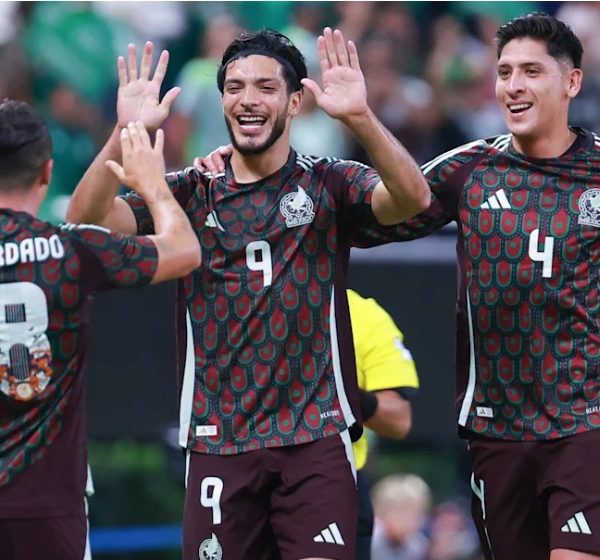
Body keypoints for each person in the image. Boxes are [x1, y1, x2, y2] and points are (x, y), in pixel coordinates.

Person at [66, 28, 430, 560]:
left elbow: (414, 198)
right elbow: (86, 220)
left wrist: (358, 118)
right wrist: (125, 131)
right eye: (234, 88)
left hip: (314, 441)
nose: (248, 100)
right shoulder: (190, 192)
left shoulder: (328, 184)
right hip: (220, 443)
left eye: (265, 87)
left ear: (296, 101)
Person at [379, 12, 599, 560]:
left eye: (531, 71)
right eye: (504, 72)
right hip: (496, 428)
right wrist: (360, 118)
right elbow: (369, 214)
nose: (513, 85)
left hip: (587, 420)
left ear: (571, 81)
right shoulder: (468, 170)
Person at [0, 100, 200, 560]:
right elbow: (184, 251)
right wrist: (154, 186)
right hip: (48, 505)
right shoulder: (71, 250)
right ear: (47, 172)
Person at [348, 289, 420, 560]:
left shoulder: (362, 313)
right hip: (246, 473)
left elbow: (400, 419)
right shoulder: (238, 301)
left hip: (340, 480)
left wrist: (341, 387)